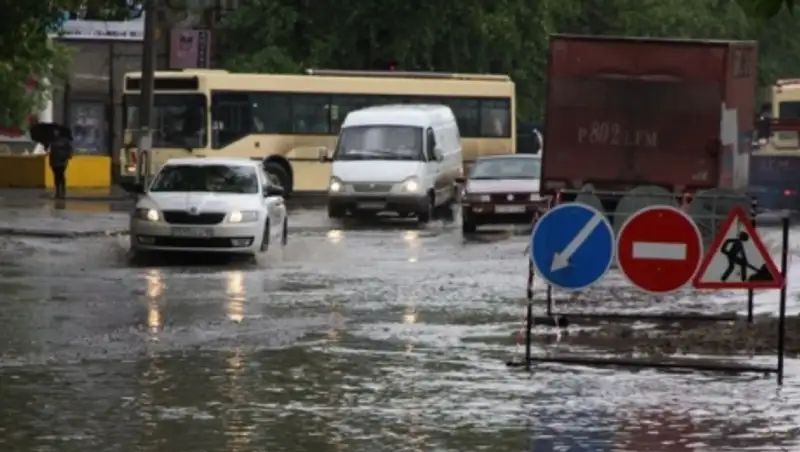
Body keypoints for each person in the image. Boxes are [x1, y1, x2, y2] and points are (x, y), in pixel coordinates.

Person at [48, 128, 73, 199]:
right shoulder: (52, 140)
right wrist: (50, 162)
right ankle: (57, 192)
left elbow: (69, 149)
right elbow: (51, 152)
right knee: (56, 177)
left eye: (56, 131)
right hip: (54, 161)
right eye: (54, 131)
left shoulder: (64, 140)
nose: (55, 133)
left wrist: (68, 156)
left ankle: (62, 191)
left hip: (62, 161)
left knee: (61, 176)